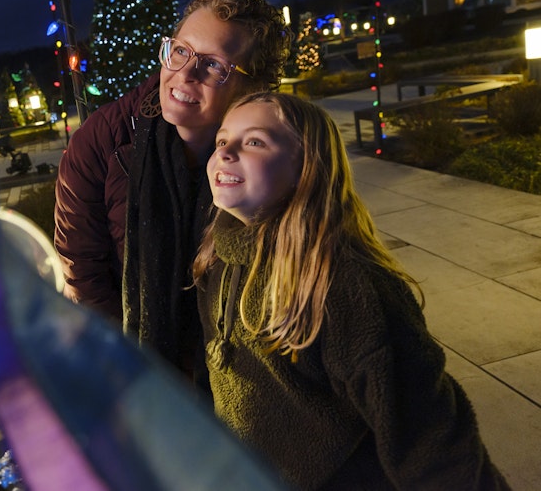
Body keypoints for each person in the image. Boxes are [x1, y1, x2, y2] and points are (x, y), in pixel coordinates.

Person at [194, 91, 510, 490]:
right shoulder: (217, 260)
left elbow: (427, 432)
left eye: (255, 141)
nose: (225, 152)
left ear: (307, 168)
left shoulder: (344, 284)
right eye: (222, 140)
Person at [53, 0, 289, 376]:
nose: (185, 74)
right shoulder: (100, 142)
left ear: (252, 86)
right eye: (181, 51)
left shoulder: (273, 153)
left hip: (242, 369)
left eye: (213, 65)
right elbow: (84, 272)